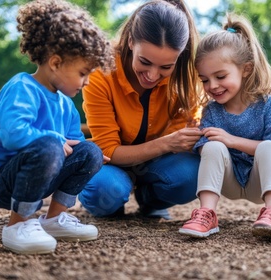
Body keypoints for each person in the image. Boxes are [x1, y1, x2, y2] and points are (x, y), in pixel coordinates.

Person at [0, 0, 114, 254]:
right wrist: (55, 140)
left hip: (41, 173)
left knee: (89, 151)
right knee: (49, 145)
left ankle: (54, 219)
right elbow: (14, 135)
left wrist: (89, 156)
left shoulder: (66, 105)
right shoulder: (22, 88)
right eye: (83, 73)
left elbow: (72, 144)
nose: (87, 82)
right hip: (2, 181)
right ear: (56, 63)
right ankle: (18, 225)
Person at [178, 13, 271, 239]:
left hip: (262, 181)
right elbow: (207, 149)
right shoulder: (211, 110)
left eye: (220, 76)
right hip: (229, 181)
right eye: (204, 79)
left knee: (269, 147)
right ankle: (206, 213)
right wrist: (199, 139)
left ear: (245, 69)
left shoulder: (266, 105)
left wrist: (232, 140)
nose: (212, 86)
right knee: (212, 146)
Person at [78, 0, 203, 219]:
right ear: (130, 42)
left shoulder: (185, 77)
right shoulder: (100, 73)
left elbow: (184, 143)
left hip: (156, 164)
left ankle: (150, 199)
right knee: (106, 190)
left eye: (166, 67)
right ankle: (113, 202)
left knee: (192, 174)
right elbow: (107, 150)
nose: (153, 76)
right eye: (145, 62)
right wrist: (167, 142)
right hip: (111, 163)